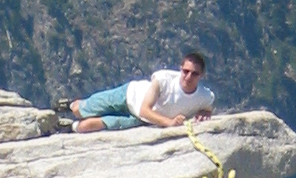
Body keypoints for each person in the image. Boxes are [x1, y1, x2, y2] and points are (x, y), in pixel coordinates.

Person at [71, 51, 215, 133]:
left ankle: (68, 127)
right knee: (80, 110)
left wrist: (205, 112)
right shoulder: (163, 80)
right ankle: (69, 105)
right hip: (127, 95)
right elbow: (145, 110)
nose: (188, 77)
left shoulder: (205, 96)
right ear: (180, 69)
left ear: (201, 76)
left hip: (138, 119)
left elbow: (208, 106)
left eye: (194, 74)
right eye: (186, 71)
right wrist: (170, 123)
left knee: (88, 126)